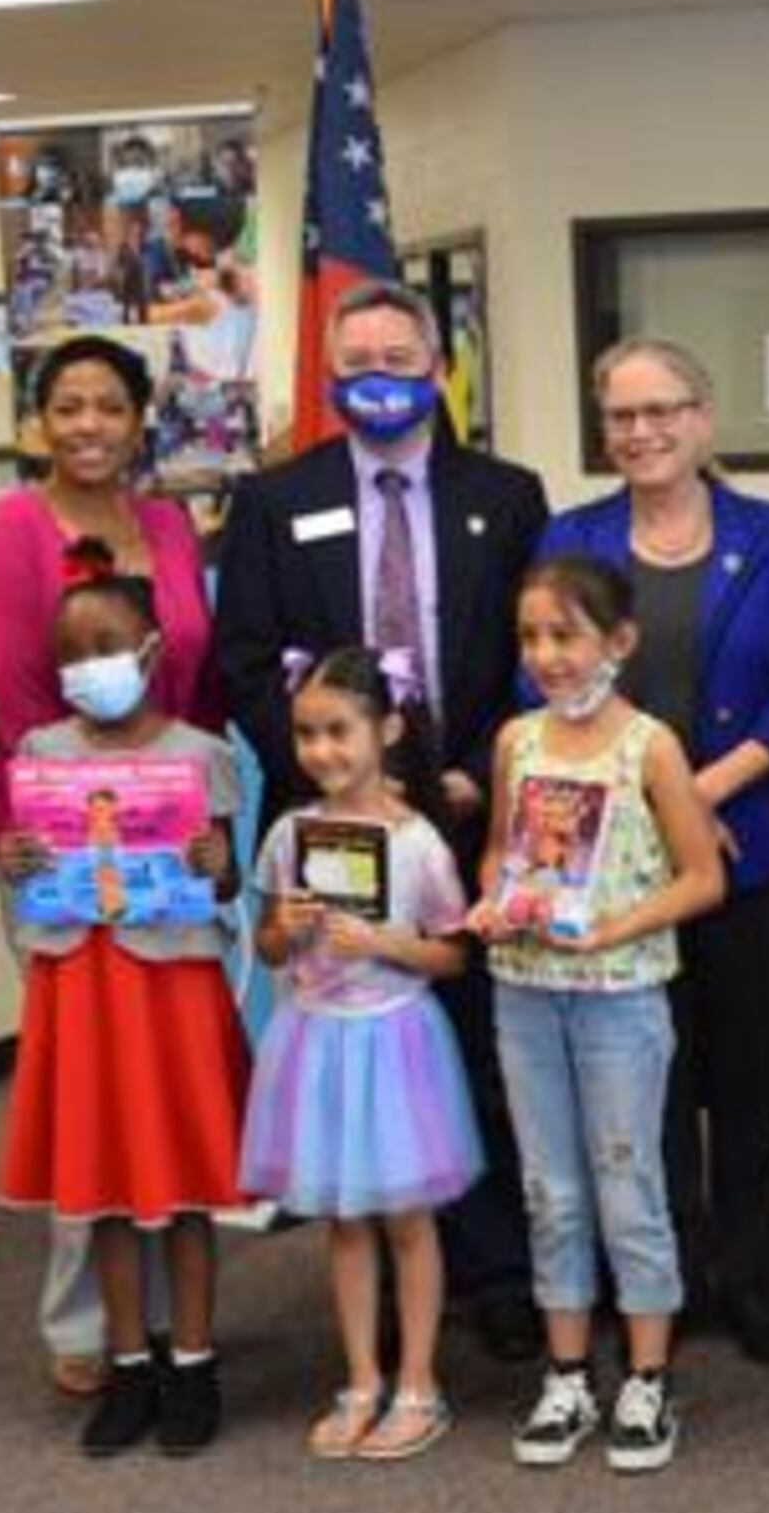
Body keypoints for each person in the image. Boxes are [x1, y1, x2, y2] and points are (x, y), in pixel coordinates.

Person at [215, 277, 548, 1339]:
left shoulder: (509, 492)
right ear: (329, 374)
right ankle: (388, 1275)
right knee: (361, 1035)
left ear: (438, 364)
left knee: (475, 1040)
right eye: (358, 362)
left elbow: (525, 653)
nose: (381, 380)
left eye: (401, 360)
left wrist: (473, 776)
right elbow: (248, 660)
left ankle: (490, 1274)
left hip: (462, 806)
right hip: (334, 822)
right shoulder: (274, 499)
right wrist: (338, 783)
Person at [539, 336, 769, 1367]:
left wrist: (696, 792)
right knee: (646, 1079)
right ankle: (668, 1273)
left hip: (750, 849)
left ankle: (752, 1273)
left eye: (663, 409)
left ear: (704, 418)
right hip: (617, 865)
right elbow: (549, 677)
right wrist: (654, 809)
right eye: (622, 415)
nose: (643, 431)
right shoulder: (569, 540)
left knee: (750, 1080)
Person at [0, 332, 222, 1397]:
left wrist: (206, 814)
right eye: (66, 406)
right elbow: (22, 691)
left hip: (173, 829)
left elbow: (195, 676)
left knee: (168, 1074)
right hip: (59, 836)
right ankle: (88, 1320)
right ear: (40, 421)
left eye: (108, 406)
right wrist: (42, 829)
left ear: (138, 419)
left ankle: (174, 1321)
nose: (87, 426)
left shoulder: (168, 522)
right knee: (87, 1083)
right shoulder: (9, 526)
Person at [467, 556, 729, 1475]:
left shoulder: (649, 746)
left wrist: (613, 926)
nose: (547, 655)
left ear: (618, 642)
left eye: (566, 635)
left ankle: (649, 1376)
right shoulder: (516, 743)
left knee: (628, 1184)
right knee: (551, 1188)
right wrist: (495, 900)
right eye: (531, 637)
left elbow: (704, 876)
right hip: (526, 990)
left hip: (620, 999)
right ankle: (567, 1370)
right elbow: (500, 851)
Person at [0, 574, 248, 1459]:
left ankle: (195, 1361)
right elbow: (28, 871)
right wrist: (14, 856)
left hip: (171, 987)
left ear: (150, 648)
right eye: (68, 653)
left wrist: (219, 863)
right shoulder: (42, 748)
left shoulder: (202, 753)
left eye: (105, 646)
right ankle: (129, 1363)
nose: (86, 666)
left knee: (181, 1188)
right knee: (98, 1187)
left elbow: (222, 884)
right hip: (83, 989)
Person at [242, 650, 485, 1464]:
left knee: (408, 1224)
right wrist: (290, 928)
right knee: (343, 1221)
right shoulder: (289, 832)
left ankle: (419, 1381)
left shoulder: (417, 843)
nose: (322, 751)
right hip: (313, 1041)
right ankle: (359, 1377)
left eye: (339, 732)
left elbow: (454, 953)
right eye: (307, 734)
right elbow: (269, 948)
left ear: (386, 728)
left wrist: (384, 940)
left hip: (394, 1042)